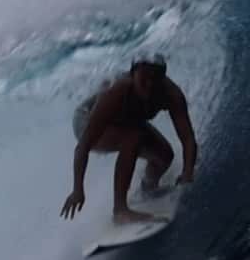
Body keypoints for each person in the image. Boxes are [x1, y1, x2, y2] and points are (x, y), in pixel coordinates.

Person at [60, 54, 197, 224]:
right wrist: (77, 189)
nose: (150, 84)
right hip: (86, 120)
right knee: (133, 137)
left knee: (164, 156)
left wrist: (188, 172)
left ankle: (148, 189)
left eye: (156, 78)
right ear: (133, 74)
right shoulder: (117, 91)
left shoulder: (171, 94)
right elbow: (83, 145)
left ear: (163, 77)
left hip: (126, 123)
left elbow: (188, 137)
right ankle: (120, 211)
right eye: (144, 78)